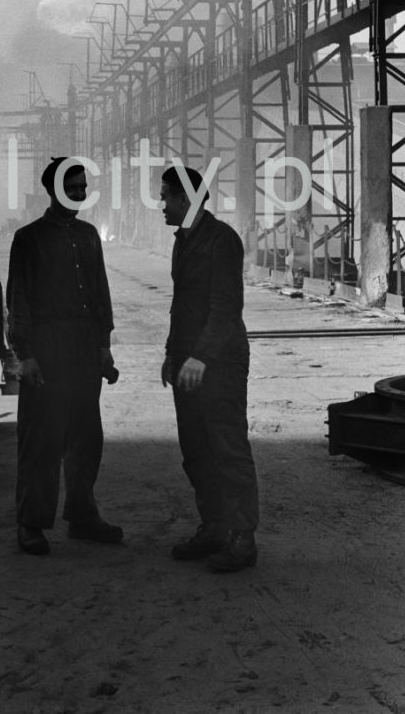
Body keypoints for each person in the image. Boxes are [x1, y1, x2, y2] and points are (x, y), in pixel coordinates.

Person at [6, 157, 123, 555]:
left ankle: (82, 516)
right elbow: (18, 301)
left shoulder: (89, 236)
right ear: (53, 191)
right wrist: (26, 355)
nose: (78, 194)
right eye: (70, 188)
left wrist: (104, 348)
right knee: (41, 438)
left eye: (81, 187)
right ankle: (31, 523)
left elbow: (100, 295)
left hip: (84, 348)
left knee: (86, 436)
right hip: (47, 346)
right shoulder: (28, 239)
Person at [160, 164, 259, 572]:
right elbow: (180, 306)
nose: (162, 205)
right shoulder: (183, 241)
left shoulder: (222, 241)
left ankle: (242, 538)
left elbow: (225, 308)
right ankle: (215, 527)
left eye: (166, 197)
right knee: (197, 450)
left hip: (219, 363)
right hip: (188, 363)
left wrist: (200, 356)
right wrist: (172, 353)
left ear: (186, 200)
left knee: (227, 449)